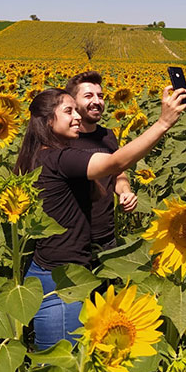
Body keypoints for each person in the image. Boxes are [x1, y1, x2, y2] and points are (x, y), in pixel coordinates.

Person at [14, 86, 186, 350]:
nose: (77, 117)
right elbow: (115, 164)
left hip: (55, 271)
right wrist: (163, 123)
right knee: (63, 371)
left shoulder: (37, 155)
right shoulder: (58, 158)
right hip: (62, 284)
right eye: (68, 111)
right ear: (48, 120)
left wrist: (122, 189)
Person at [65, 71, 136, 253]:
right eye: (88, 96)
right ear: (72, 103)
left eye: (100, 96)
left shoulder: (108, 135)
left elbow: (117, 173)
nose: (97, 101)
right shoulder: (62, 139)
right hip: (70, 238)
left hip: (106, 236)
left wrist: (125, 192)